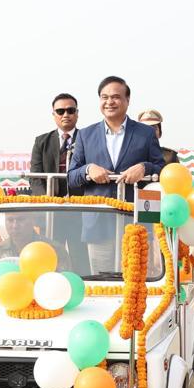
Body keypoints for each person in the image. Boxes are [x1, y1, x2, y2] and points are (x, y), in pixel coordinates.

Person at [67, 76, 164, 271]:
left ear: (127, 101)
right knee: (103, 281)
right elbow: (71, 177)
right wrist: (88, 170)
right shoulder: (85, 135)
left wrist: (144, 167)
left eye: (116, 97)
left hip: (136, 221)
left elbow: (161, 168)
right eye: (104, 97)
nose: (109, 102)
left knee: (136, 279)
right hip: (98, 223)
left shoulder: (145, 133)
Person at [28, 93, 82, 197]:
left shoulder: (87, 139)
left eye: (70, 110)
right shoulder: (41, 142)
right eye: (60, 111)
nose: (66, 115)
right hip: (50, 204)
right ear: (53, 114)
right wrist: (46, 199)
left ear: (77, 113)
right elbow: (35, 177)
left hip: (82, 203)